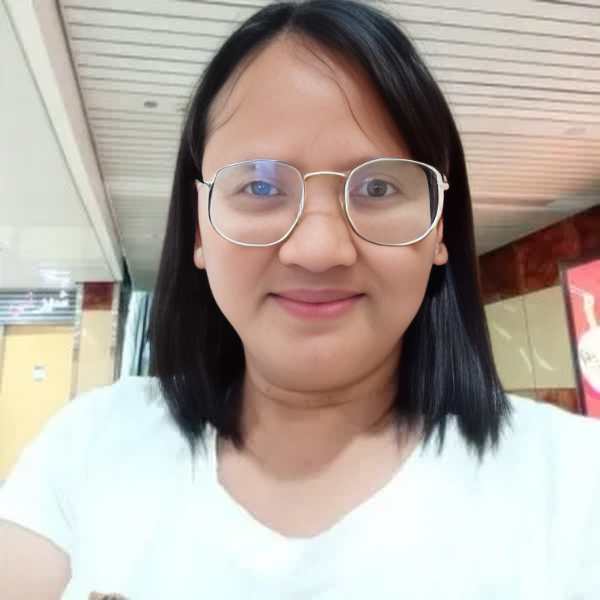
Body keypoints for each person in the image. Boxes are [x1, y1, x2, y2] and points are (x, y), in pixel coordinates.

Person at [1, 1, 599, 598]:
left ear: (439, 226)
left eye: (378, 186)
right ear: (200, 227)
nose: (318, 250)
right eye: (260, 185)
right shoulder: (90, 447)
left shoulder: (574, 486)